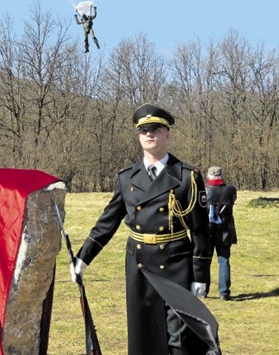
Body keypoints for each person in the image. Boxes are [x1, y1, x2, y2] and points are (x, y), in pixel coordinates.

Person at [72, 104, 211, 355]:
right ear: (138, 136)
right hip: (139, 263)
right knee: (143, 333)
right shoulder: (127, 177)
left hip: (177, 263)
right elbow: (108, 220)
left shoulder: (187, 176)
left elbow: (201, 230)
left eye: (156, 129)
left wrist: (201, 274)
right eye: (144, 130)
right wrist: (83, 257)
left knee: (179, 337)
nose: (150, 135)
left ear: (167, 134)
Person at [204, 166, 237, 301]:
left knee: (205, 262)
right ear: (220, 175)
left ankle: (203, 291)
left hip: (208, 231)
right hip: (224, 231)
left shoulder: (204, 191)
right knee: (224, 261)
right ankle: (224, 292)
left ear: (209, 176)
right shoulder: (230, 190)